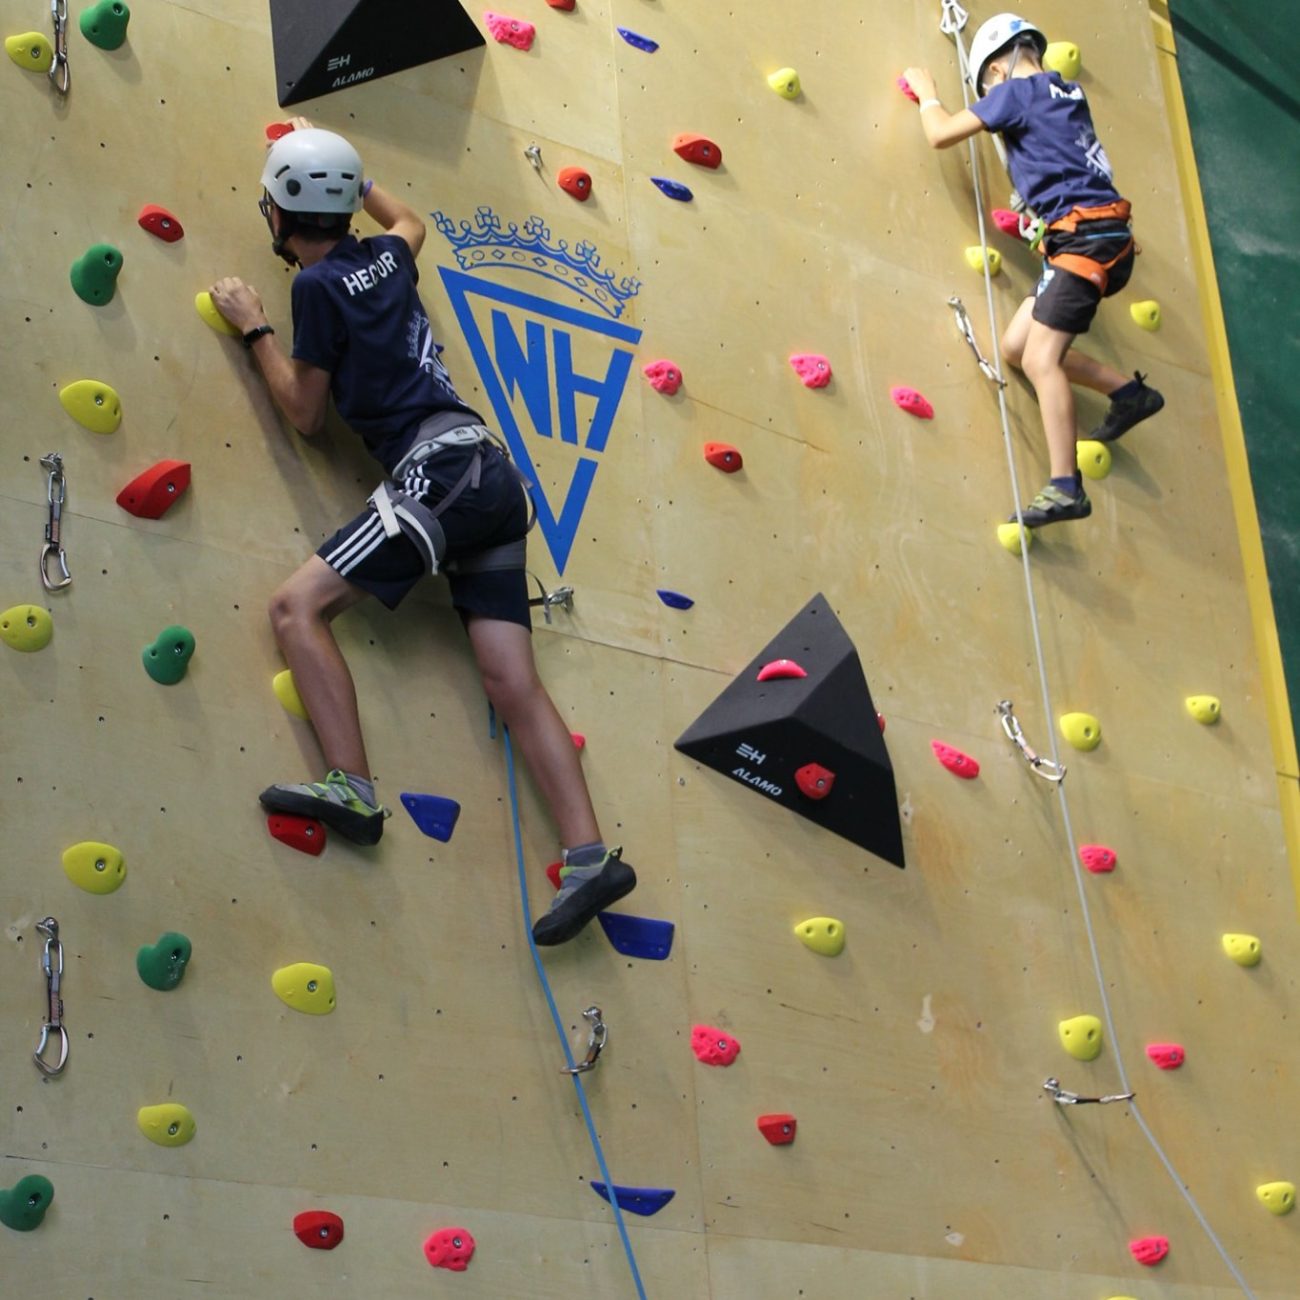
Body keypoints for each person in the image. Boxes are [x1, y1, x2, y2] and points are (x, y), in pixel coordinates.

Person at [209, 121, 635, 945]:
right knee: (511, 680)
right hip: (491, 478)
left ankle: (352, 789)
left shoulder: (316, 287)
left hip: (437, 473)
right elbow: (412, 223)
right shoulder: (385, 257)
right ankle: (590, 857)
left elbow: (303, 414)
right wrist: (358, 173)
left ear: (278, 214)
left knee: (297, 609)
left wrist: (253, 326)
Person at [904, 12, 1165, 527]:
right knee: (1017, 348)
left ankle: (1066, 486)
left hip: (1082, 239)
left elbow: (940, 135)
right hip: (1097, 237)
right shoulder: (1066, 94)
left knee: (1043, 357)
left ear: (996, 72)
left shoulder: (1013, 94)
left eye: (986, 85)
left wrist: (927, 93)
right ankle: (1127, 393)